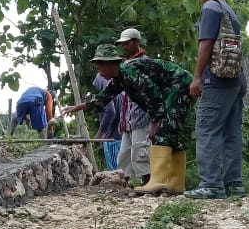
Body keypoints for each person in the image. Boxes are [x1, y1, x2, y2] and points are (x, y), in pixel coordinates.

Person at [63, 44, 193, 195]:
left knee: (163, 130)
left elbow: (154, 97)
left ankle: (158, 181)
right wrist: (78, 107)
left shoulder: (130, 73)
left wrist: (153, 124)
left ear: (110, 64)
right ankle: (176, 184)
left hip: (179, 85)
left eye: (100, 68)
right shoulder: (120, 77)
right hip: (172, 89)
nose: (99, 72)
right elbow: (105, 96)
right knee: (171, 132)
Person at [186, 0, 247, 199]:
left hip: (217, 79)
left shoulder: (210, 8)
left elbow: (206, 44)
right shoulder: (230, 11)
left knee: (206, 129)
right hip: (236, 79)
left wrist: (197, 76)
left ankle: (210, 185)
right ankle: (234, 184)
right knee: (231, 132)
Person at [113, 28, 151, 185]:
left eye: (127, 43)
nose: (125, 47)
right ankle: (122, 185)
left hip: (141, 117)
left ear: (136, 42)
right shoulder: (127, 64)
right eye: (123, 44)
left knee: (141, 154)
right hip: (129, 119)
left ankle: (148, 185)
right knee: (124, 155)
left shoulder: (145, 63)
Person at [93, 74, 122, 171]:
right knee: (123, 173)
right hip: (120, 136)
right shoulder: (118, 90)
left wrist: (100, 134)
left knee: (115, 174)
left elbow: (110, 111)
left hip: (112, 139)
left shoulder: (103, 85)